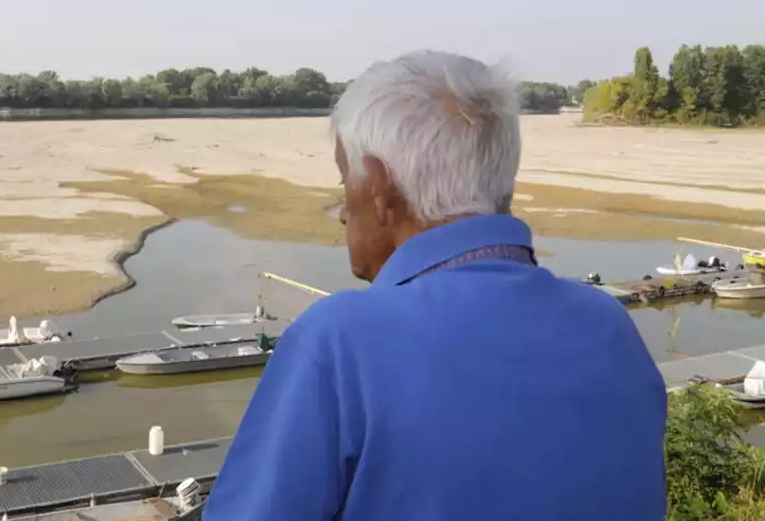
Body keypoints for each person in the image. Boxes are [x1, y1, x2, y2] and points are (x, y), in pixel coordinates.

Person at [202, 51, 667, 521]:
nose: (343, 213)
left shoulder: (342, 341)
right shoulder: (609, 325)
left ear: (381, 189)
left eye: (346, 184)